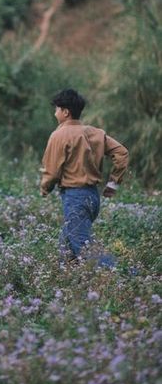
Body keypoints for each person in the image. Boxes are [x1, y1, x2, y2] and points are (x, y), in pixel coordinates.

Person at [40, 88, 129, 267]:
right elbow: (122, 153)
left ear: (66, 112)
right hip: (92, 197)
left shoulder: (59, 135)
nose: (55, 112)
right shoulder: (96, 133)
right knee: (65, 249)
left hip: (75, 198)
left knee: (83, 248)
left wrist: (45, 188)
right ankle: (67, 284)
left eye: (57, 109)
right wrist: (112, 185)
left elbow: (52, 172)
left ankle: (128, 276)